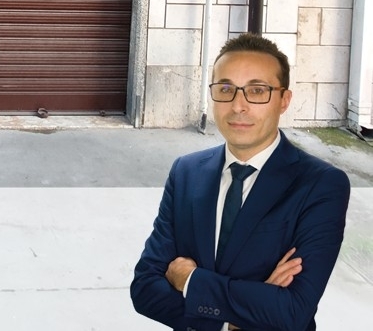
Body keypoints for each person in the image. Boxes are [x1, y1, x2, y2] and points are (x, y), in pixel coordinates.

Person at [131, 32, 351, 331]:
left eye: (257, 91)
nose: (238, 106)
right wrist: (236, 320)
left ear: (284, 100)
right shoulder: (186, 172)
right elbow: (145, 289)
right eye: (226, 89)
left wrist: (190, 280)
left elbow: (292, 311)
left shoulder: (321, 185)